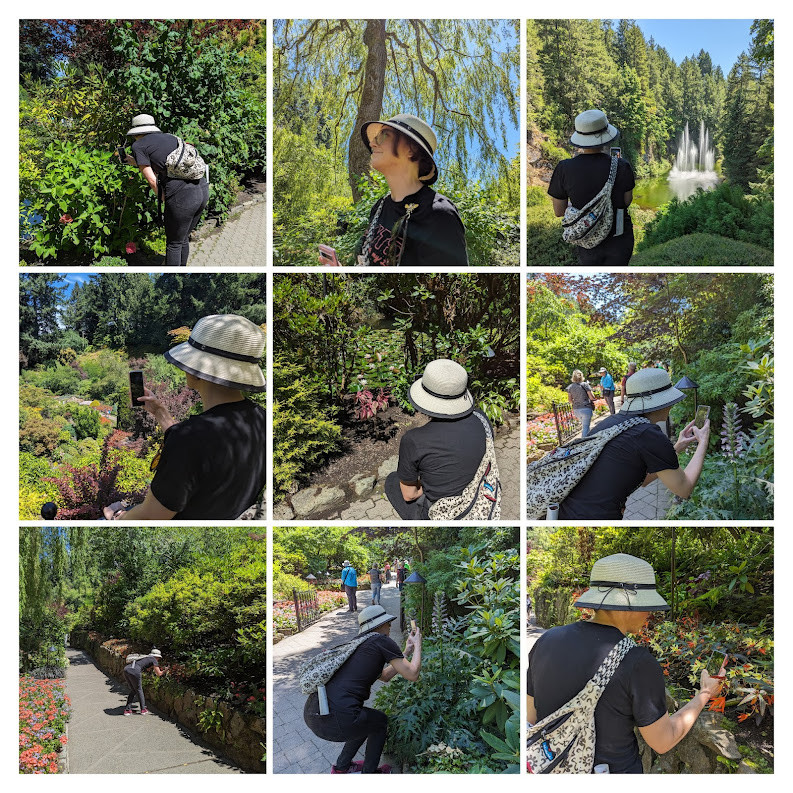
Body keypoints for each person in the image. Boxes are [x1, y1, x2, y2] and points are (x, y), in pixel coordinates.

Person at [527, 554, 727, 774]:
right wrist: (705, 693)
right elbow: (663, 741)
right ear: (624, 605)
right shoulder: (636, 662)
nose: (649, 612)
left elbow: (532, 717)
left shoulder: (546, 641)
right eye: (645, 604)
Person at [102, 314, 266, 520]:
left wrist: (116, 518)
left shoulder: (189, 440)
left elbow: (151, 517)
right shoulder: (261, 419)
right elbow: (204, 449)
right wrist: (160, 412)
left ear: (198, 370)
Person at [557, 368, 710, 520]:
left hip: (565, 511)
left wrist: (677, 447)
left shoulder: (613, 422)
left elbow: (643, 480)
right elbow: (684, 488)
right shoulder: (649, 434)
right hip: (591, 517)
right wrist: (703, 441)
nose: (672, 405)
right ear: (661, 402)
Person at [304, 605, 422, 774]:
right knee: (379, 722)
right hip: (337, 720)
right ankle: (370, 772)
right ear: (379, 625)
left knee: (365, 720)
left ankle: (341, 768)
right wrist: (418, 645)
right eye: (388, 622)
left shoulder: (358, 644)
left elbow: (385, 676)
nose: (390, 626)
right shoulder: (382, 640)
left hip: (315, 716)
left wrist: (407, 651)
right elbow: (413, 674)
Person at [384, 359, 495, 519]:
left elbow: (410, 495)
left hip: (445, 513)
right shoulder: (481, 419)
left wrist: (426, 487)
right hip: (480, 496)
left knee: (392, 481)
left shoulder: (414, 440)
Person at [356, 114, 467, 266]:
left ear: (412, 149)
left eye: (383, 135)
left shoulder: (439, 215)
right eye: (375, 137)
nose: (372, 143)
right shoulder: (379, 207)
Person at [548, 109, 636, 266]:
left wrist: (584, 209)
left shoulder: (564, 168)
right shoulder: (622, 166)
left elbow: (559, 211)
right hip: (619, 238)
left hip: (587, 239)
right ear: (606, 136)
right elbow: (626, 201)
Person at [122, 114, 209, 267]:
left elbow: (151, 179)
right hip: (201, 189)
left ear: (135, 133)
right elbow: (162, 162)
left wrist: (164, 197)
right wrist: (135, 162)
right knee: (182, 238)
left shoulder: (138, 146)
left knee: (174, 244)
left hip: (182, 197)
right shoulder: (171, 138)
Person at [123, 648, 168, 716]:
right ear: (157, 657)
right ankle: (143, 709)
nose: (158, 660)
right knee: (139, 689)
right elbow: (159, 674)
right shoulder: (154, 659)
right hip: (135, 671)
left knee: (133, 690)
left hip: (126, 669)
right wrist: (165, 670)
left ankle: (127, 710)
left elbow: (146, 667)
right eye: (158, 658)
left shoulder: (145, 658)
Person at [566, 369, 596, 438]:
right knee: (585, 427)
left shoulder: (570, 387)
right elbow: (592, 397)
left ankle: (588, 439)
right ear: (581, 376)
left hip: (576, 410)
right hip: (586, 408)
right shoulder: (585, 384)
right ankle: (584, 441)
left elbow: (570, 400)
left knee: (585, 426)